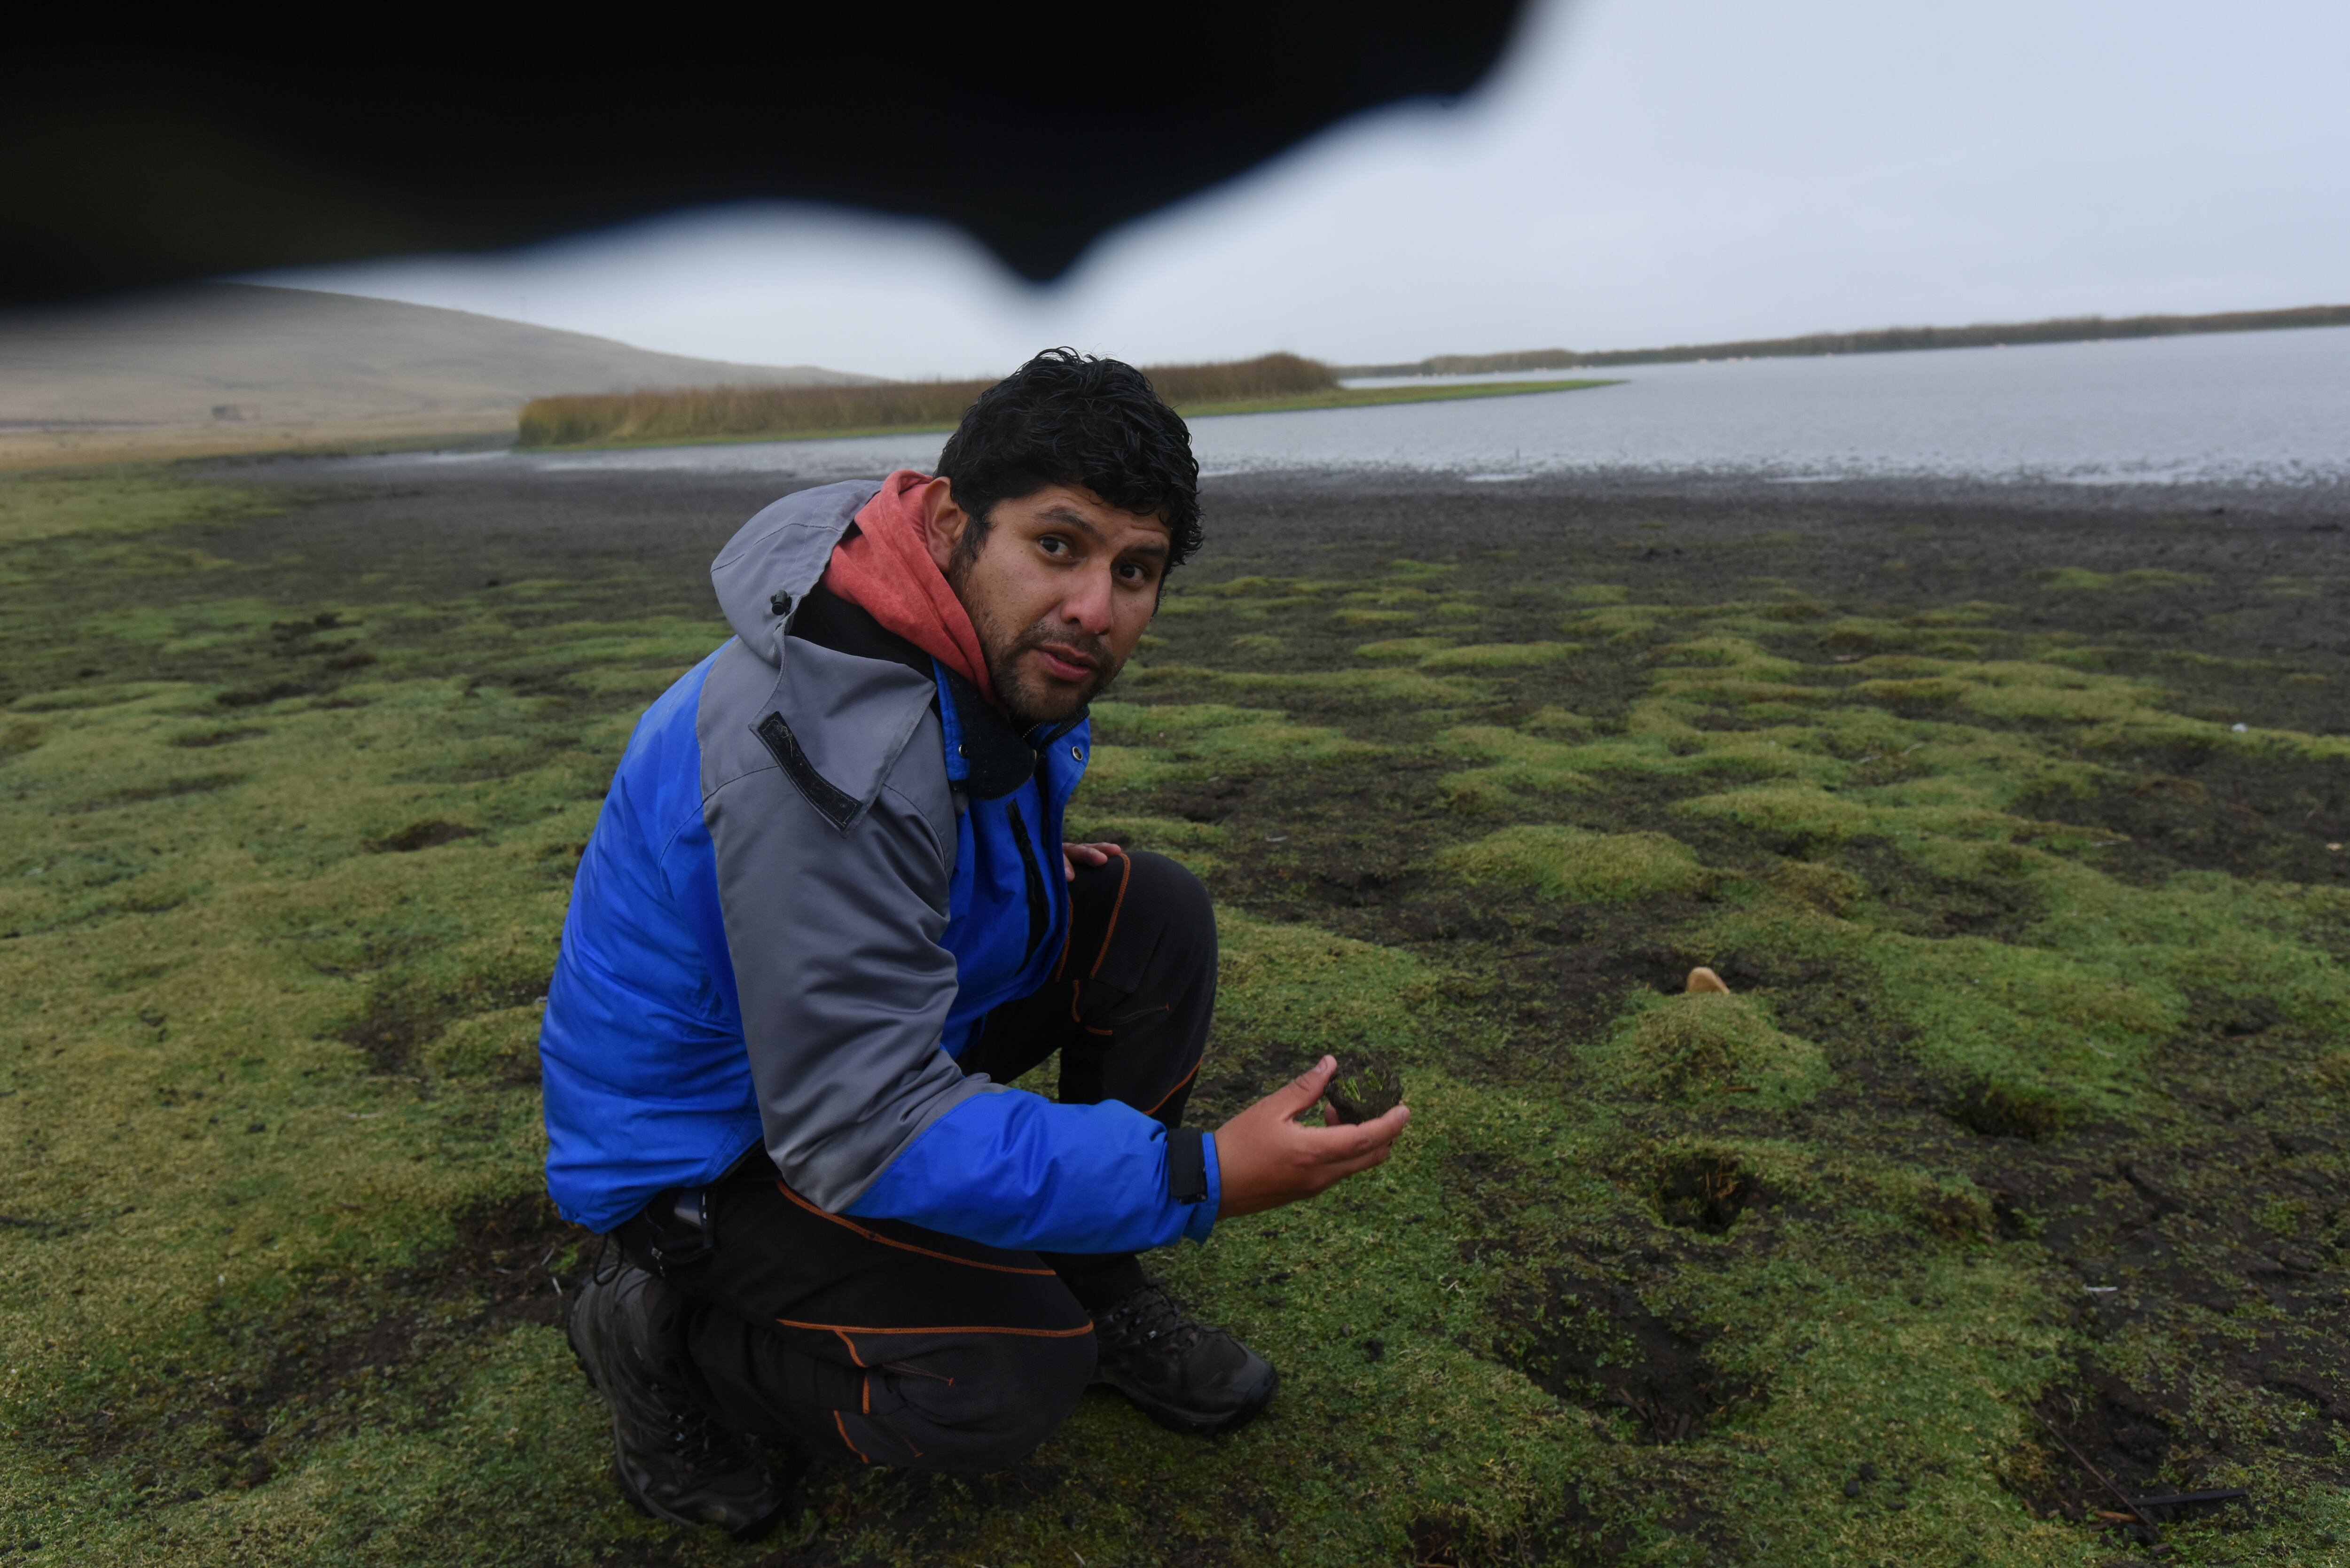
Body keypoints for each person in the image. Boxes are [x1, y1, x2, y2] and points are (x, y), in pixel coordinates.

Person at [539, 348, 1411, 1539]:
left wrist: (1018, 881)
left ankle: (1101, 1283)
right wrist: (1190, 1178)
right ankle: (657, 1332)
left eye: (1136, 569)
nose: (1096, 609)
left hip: (818, 1061)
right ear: (953, 521)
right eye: (1058, 546)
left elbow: (907, 879)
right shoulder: (820, 746)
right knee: (1001, 1378)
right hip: (712, 1148)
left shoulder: (939, 636)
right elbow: (857, 1117)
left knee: (1146, 915)